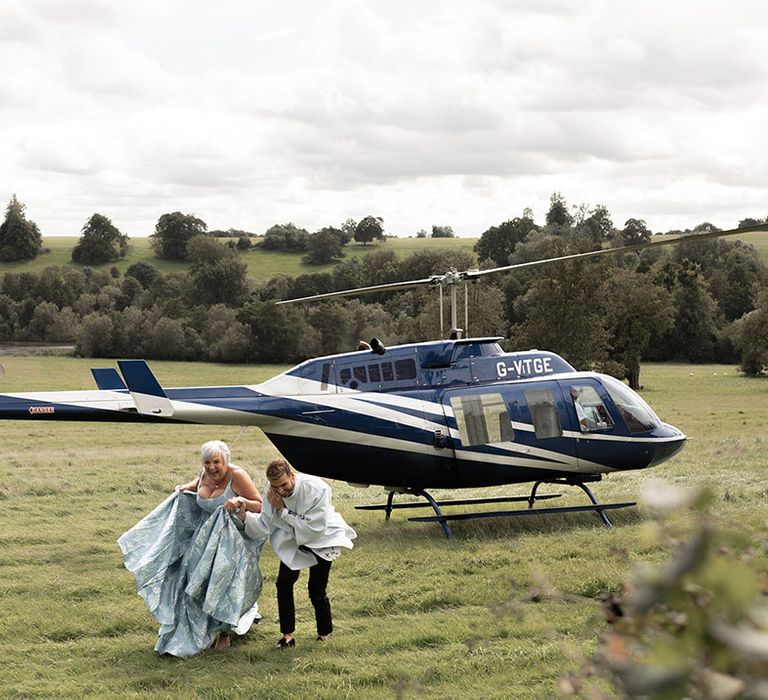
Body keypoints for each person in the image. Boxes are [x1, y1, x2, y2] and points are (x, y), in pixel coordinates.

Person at [118, 440, 265, 657]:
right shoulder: (205, 474)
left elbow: (259, 504)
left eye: (217, 462)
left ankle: (224, 630)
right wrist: (184, 489)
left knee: (222, 583)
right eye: (207, 462)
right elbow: (197, 484)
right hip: (202, 541)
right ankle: (190, 628)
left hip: (232, 540)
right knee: (192, 581)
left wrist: (240, 500)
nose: (212, 467)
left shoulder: (238, 475)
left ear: (226, 460)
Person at [226, 459, 356, 649]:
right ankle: (287, 636)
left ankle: (324, 634)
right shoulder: (272, 491)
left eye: (284, 485)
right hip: (293, 539)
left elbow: (314, 529)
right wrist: (244, 516)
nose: (280, 491)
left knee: (316, 591)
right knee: (284, 584)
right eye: (276, 486)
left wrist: (283, 511)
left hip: (323, 539)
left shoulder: (318, 489)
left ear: (292, 476)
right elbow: (265, 524)